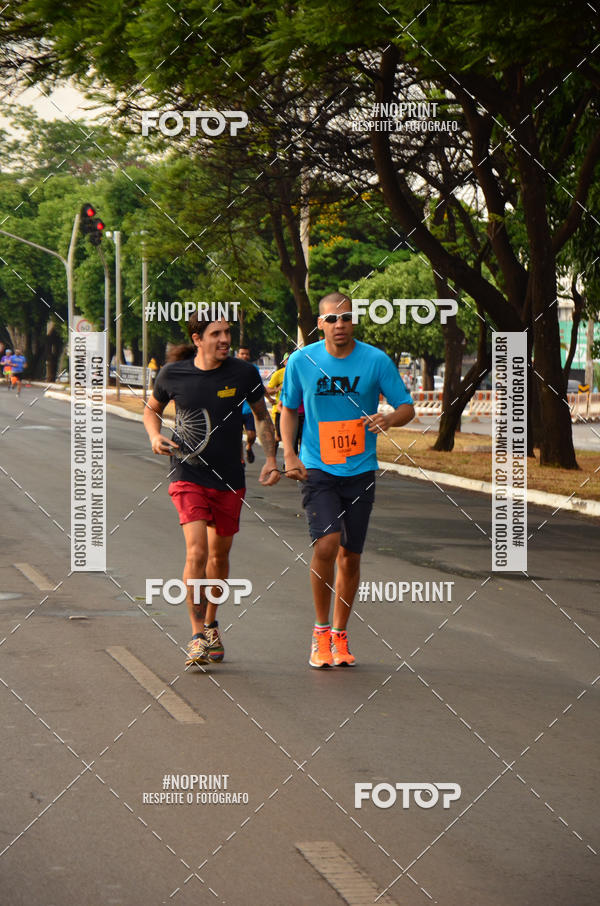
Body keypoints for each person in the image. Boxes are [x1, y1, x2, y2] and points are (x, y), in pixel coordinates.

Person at [280, 292, 415, 669]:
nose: (340, 325)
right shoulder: (302, 361)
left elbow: (407, 406)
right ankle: (320, 632)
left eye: (346, 318)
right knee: (327, 543)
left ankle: (340, 634)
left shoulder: (375, 360)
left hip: (360, 469)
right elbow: (288, 410)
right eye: (332, 319)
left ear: (354, 322)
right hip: (317, 467)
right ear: (320, 324)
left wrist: (389, 418)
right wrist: (288, 454)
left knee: (351, 555)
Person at [143, 313, 280, 666]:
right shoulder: (174, 374)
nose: (224, 339)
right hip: (187, 473)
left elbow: (262, 416)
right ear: (198, 338)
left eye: (227, 333)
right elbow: (151, 409)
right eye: (216, 333)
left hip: (230, 478)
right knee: (197, 552)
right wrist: (155, 435)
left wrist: (271, 458)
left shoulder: (243, 373)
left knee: (219, 557)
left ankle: (211, 623)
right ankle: (196, 635)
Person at [236, 345, 258, 463]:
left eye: (247, 354)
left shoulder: (253, 369)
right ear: (238, 355)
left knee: (252, 435)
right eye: (242, 353)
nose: (244, 356)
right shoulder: (231, 370)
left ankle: (249, 447)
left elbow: (259, 387)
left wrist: (269, 398)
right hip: (235, 410)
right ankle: (241, 460)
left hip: (249, 409)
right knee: (237, 437)